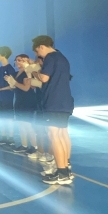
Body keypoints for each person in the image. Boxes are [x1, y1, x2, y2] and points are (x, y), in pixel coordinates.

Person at [32, 35, 74, 186]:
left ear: (42, 47)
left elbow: (44, 78)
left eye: (38, 51)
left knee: (54, 135)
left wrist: (34, 72)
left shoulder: (50, 57)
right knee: (62, 135)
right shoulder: (62, 57)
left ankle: (62, 173)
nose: (38, 55)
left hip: (54, 101)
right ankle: (65, 168)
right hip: (65, 101)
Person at [7, 54, 41, 160]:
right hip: (19, 101)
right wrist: (11, 83)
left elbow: (26, 88)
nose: (18, 62)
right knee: (21, 124)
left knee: (28, 125)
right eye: (16, 60)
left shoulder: (28, 72)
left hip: (28, 101)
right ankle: (24, 145)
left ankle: (34, 146)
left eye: (20, 60)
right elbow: (15, 87)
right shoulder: (15, 73)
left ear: (26, 61)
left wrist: (14, 82)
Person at [0, 47, 16, 149]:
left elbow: (12, 86)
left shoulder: (10, 69)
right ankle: (4, 138)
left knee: (9, 118)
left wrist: (1, 89)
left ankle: (11, 138)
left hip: (7, 97)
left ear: (4, 55)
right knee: (1, 118)